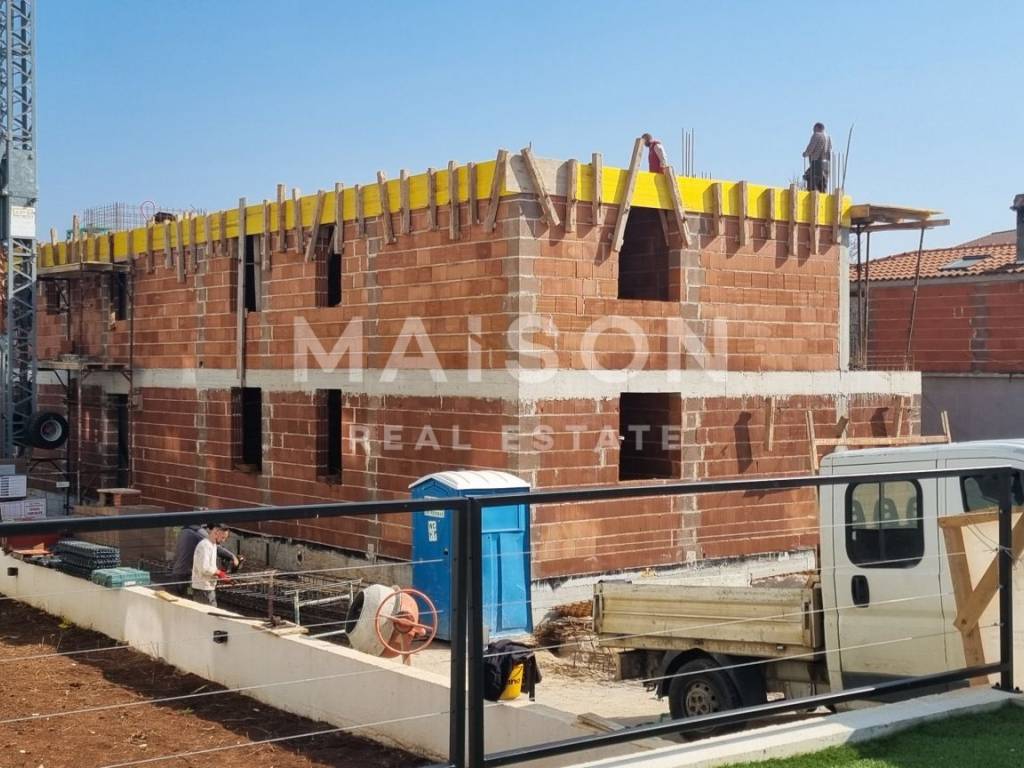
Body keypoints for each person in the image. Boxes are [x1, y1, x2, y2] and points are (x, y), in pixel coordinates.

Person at [170, 523, 237, 597]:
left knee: (180, 599)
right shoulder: (199, 533)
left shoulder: (184, 531)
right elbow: (216, 549)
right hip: (188, 575)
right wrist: (232, 556)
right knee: (188, 600)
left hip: (178, 572)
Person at [191, 523, 232, 607]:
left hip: (207, 588)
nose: (223, 540)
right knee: (209, 613)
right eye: (223, 537)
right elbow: (204, 568)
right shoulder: (204, 546)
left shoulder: (213, 545)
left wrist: (220, 573)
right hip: (202, 589)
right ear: (216, 532)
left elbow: (210, 567)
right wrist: (219, 573)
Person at [802, 122, 832, 193]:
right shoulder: (828, 138)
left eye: (814, 129)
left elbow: (811, 148)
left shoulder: (816, 135)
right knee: (823, 188)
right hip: (826, 165)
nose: (813, 131)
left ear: (817, 128)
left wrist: (805, 154)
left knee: (813, 187)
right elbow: (830, 150)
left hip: (817, 163)